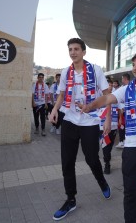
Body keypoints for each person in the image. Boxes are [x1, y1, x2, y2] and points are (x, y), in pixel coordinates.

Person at [79, 50, 136, 223]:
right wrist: (90, 105)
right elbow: (106, 99)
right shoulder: (125, 90)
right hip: (133, 148)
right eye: (133, 65)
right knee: (130, 192)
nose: (135, 68)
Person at [48, 38, 112, 221]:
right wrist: (54, 110)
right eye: (70, 49)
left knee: (92, 159)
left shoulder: (96, 70)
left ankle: (102, 182)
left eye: (76, 49)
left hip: (90, 121)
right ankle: (70, 199)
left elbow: (108, 96)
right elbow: (61, 95)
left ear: (84, 52)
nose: (73, 52)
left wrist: (107, 119)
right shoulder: (66, 71)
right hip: (69, 120)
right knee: (67, 162)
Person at [99, 79, 119, 175]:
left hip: (114, 126)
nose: (110, 87)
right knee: (105, 146)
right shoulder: (100, 97)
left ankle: (107, 158)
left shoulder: (116, 97)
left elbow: (120, 109)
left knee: (110, 146)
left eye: (111, 85)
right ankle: (107, 164)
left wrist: (119, 120)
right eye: (108, 85)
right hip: (102, 127)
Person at [116, 73, 131, 149]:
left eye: (122, 78)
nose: (121, 80)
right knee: (121, 126)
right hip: (121, 112)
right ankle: (121, 141)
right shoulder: (121, 88)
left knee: (127, 126)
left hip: (128, 112)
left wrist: (125, 108)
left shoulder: (131, 88)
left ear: (125, 79)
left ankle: (126, 141)